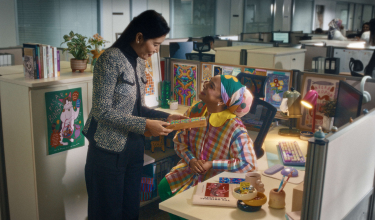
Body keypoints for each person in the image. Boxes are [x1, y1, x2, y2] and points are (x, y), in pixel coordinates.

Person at [83, 10, 186, 220]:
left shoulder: (139, 61)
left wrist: (166, 117)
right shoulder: (109, 60)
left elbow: (137, 109)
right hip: (108, 152)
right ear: (139, 37)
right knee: (107, 214)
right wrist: (145, 125)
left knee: (131, 211)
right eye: (155, 44)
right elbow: (102, 111)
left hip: (134, 149)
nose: (156, 50)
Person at [158, 75, 258, 220]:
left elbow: (248, 164)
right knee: (164, 186)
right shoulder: (196, 110)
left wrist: (212, 164)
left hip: (217, 179)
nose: (205, 85)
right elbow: (179, 142)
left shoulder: (234, 127)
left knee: (189, 206)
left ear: (221, 101)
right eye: (208, 82)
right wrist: (191, 160)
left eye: (211, 86)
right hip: (192, 169)